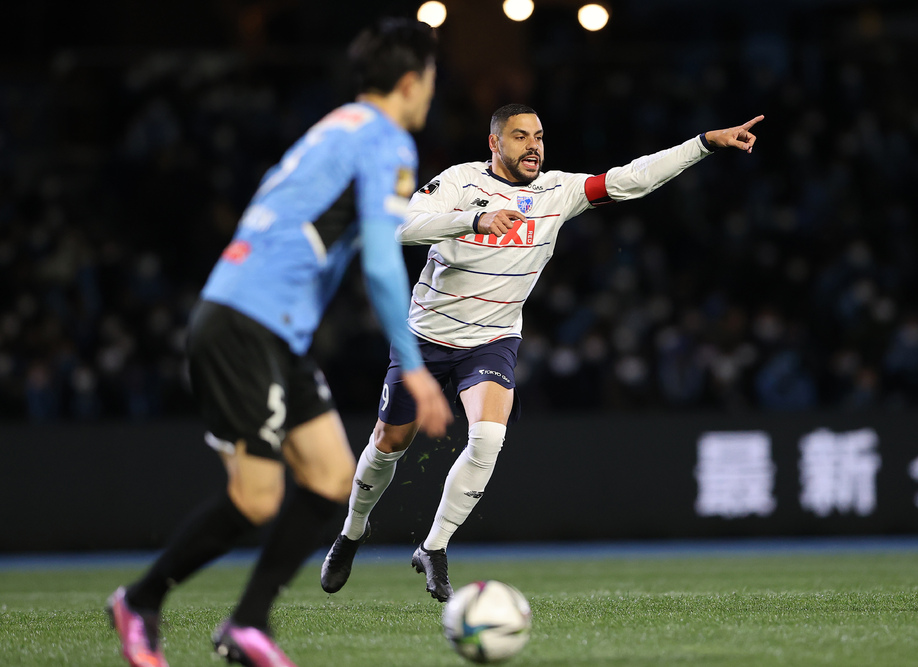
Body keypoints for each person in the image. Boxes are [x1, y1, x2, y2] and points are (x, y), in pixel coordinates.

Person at [107, 18, 452, 667]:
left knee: (330, 476)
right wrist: (414, 367)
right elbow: (382, 263)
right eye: (431, 78)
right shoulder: (387, 140)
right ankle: (140, 600)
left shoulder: (335, 126)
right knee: (256, 497)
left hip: (261, 323)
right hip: (247, 323)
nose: (433, 92)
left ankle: (246, 624)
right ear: (410, 82)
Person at [320, 103, 763, 601]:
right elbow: (398, 227)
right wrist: (475, 219)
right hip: (426, 337)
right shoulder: (461, 182)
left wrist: (703, 144)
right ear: (494, 143)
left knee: (488, 437)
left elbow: (631, 178)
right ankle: (352, 532)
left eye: (539, 137)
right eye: (520, 137)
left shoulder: (558, 191)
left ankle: (434, 547)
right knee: (389, 443)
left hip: (493, 339)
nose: (533, 146)